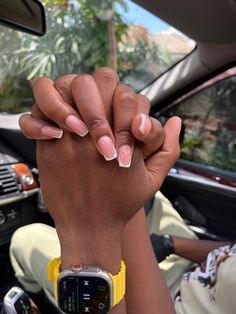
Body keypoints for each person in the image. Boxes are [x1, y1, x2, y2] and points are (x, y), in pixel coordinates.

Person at [12, 68, 181, 314]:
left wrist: (88, 237)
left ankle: (36, 296)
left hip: (180, 300)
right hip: (195, 269)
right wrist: (170, 243)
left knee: (24, 237)